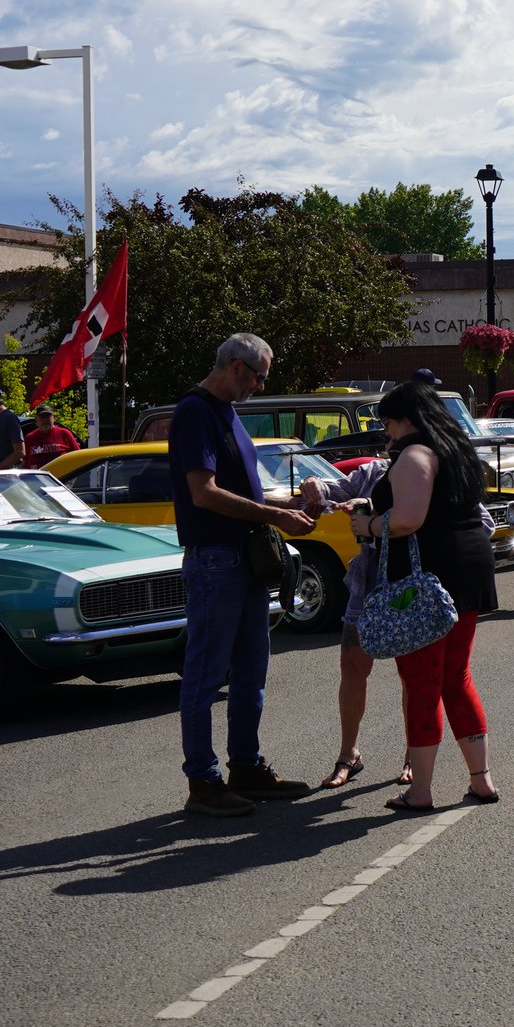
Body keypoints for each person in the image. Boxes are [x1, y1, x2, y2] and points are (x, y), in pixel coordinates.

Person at [168, 333, 316, 817]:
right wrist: (276, 518)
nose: (260, 385)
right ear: (235, 367)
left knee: (252, 671)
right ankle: (204, 782)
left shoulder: (226, 411)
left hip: (241, 559)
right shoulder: (195, 411)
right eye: (259, 376)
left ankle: (246, 767)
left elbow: (240, 491)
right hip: (216, 560)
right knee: (206, 676)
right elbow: (204, 493)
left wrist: (288, 505)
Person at [348, 380, 501, 812]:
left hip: (429, 577)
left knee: (422, 684)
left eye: (389, 424)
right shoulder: (457, 449)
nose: (387, 433)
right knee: (457, 677)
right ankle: (481, 779)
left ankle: (420, 791)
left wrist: (370, 526)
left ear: (406, 419)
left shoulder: (415, 454)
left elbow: (409, 519)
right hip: (468, 568)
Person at [300, 454, 413, 790]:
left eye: (396, 429)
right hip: (368, 578)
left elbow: (476, 522)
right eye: (388, 431)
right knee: (351, 666)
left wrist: (379, 518)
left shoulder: (430, 469)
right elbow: (336, 489)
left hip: (409, 583)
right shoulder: (375, 471)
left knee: (412, 671)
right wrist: (314, 486)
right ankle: (349, 754)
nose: (391, 440)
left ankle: (414, 754)